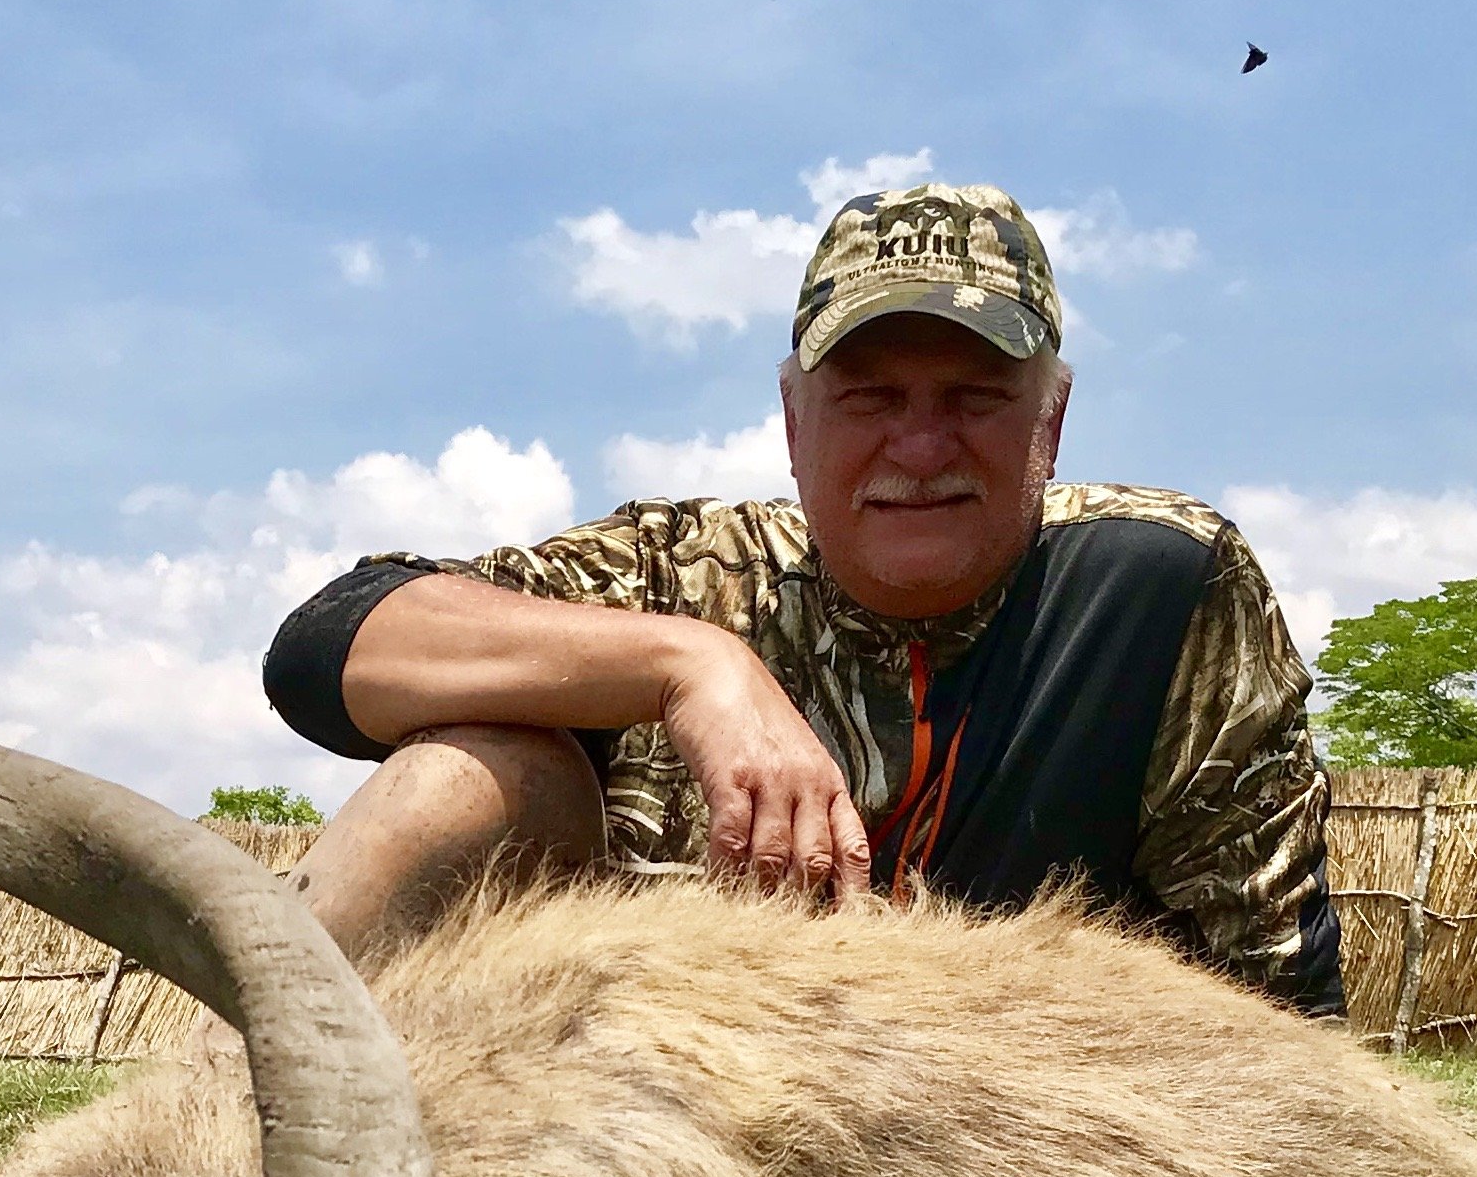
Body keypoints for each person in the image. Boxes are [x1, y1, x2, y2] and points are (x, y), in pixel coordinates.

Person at [260, 180, 1344, 1015]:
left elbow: (1281, 1004)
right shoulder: (676, 573)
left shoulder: (1158, 593)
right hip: (649, 1130)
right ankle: (215, 1176)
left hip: (1022, 1162)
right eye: (870, 397)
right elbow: (324, 646)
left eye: (974, 398)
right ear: (793, 421)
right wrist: (693, 670)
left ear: (1051, 423)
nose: (920, 447)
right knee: (460, 773)